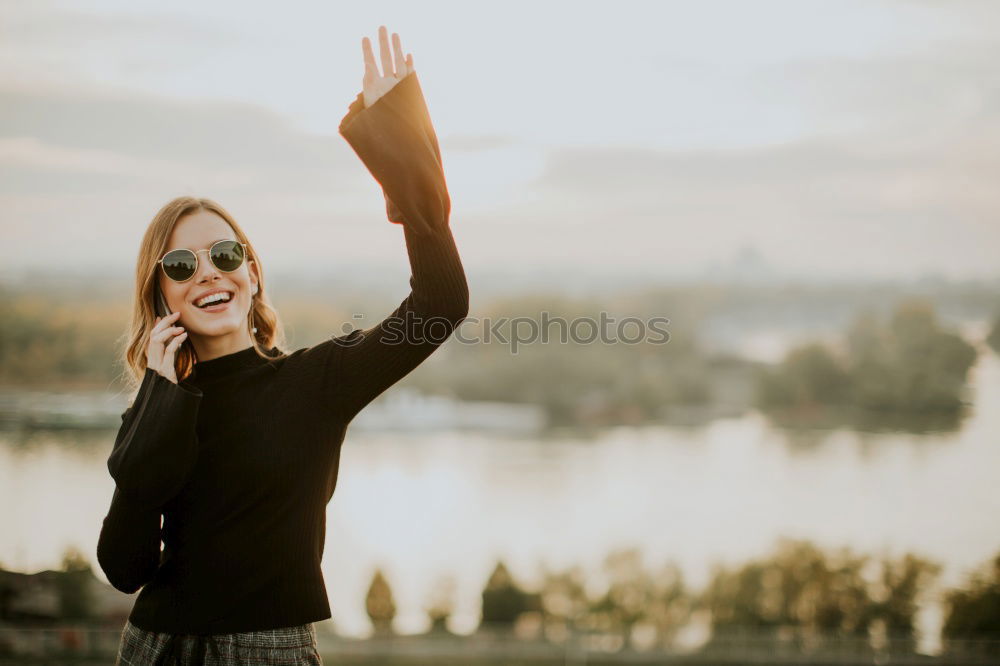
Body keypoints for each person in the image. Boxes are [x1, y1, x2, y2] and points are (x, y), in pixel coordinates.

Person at [96, 25, 469, 665]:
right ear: (160, 296)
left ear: (252, 271)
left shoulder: (317, 381)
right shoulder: (159, 406)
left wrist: (397, 135)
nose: (207, 272)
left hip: (269, 652)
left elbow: (439, 306)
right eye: (181, 266)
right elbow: (125, 566)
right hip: (153, 650)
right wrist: (161, 397)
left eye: (224, 254)